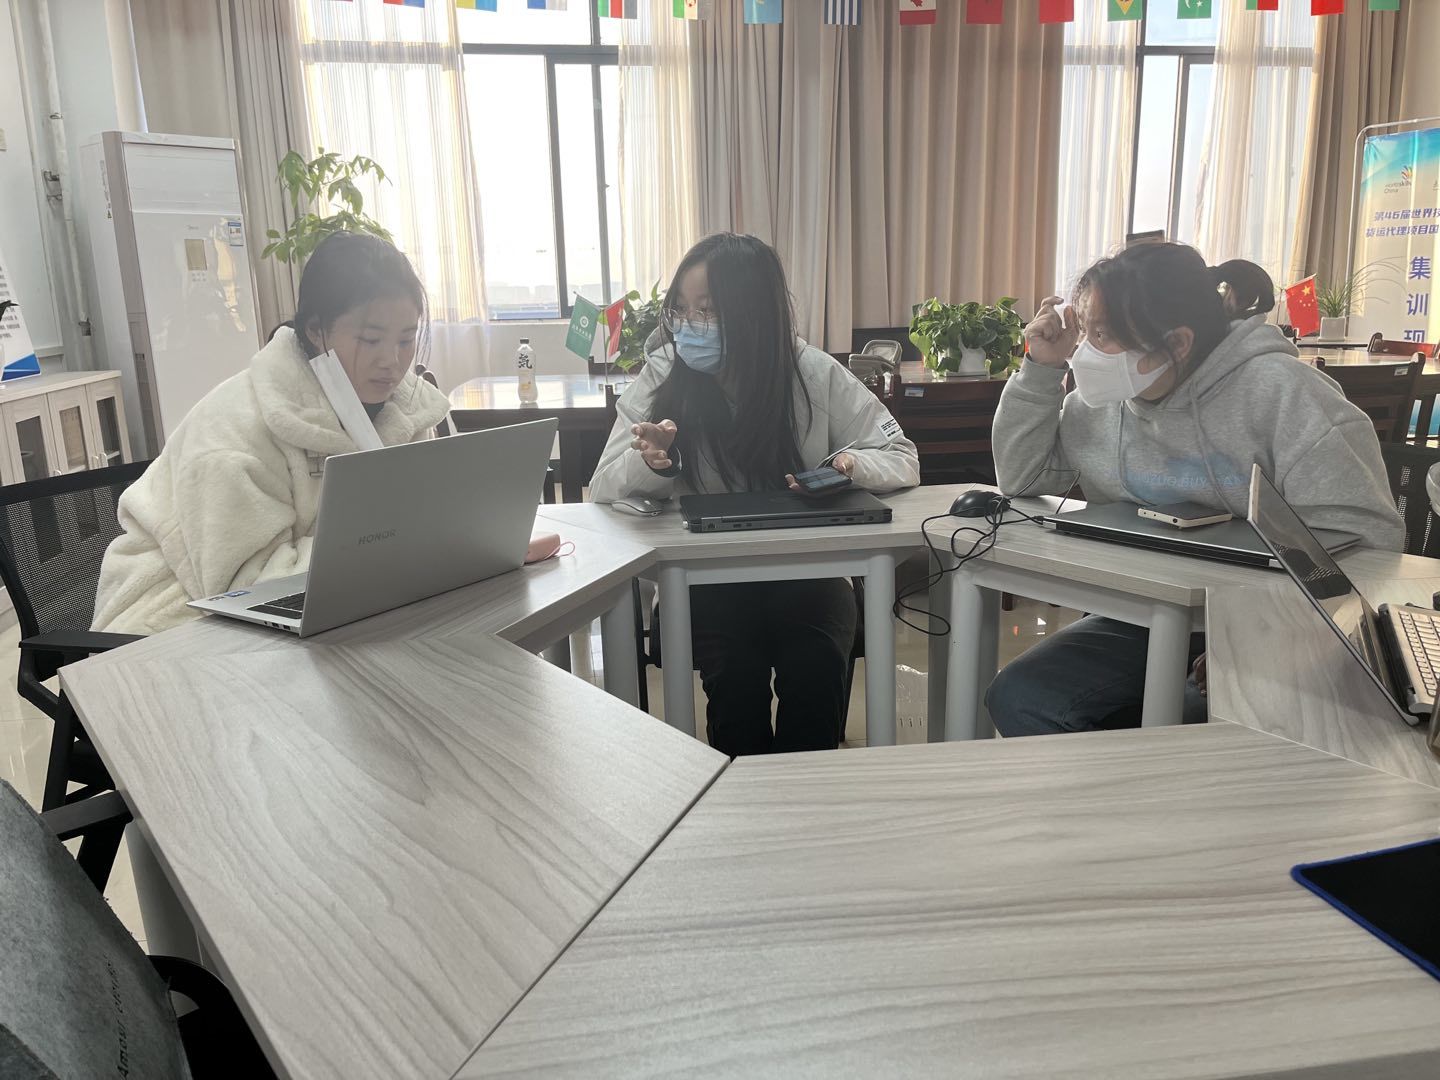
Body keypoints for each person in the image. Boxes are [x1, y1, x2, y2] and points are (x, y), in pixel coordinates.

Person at [986, 242, 1403, 737]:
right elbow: (1022, 478)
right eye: (1084, 331)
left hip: (1280, 625)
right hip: (1148, 616)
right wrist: (1040, 368)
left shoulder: (1287, 396)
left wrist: (1255, 636)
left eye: (1102, 335)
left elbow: (1368, 545)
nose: (1085, 352)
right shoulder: (1099, 404)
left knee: (1198, 724)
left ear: (1178, 343)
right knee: (1020, 696)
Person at [590, 233, 920, 756]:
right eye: (681, 309)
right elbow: (603, 483)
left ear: (754, 311)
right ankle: (742, 795)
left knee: (815, 673)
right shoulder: (662, 375)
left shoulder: (809, 371)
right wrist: (651, 462)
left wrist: (848, 465)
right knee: (735, 686)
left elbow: (901, 454)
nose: (689, 325)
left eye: (707, 310)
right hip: (705, 576)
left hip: (807, 570)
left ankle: (807, 795)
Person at [93, 231, 451, 635]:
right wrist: (394, 551)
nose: (393, 360)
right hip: (170, 625)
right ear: (316, 330)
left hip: (328, 615)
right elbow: (244, 587)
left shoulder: (406, 412)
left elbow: (424, 525)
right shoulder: (233, 429)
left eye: (406, 339)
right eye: (371, 339)